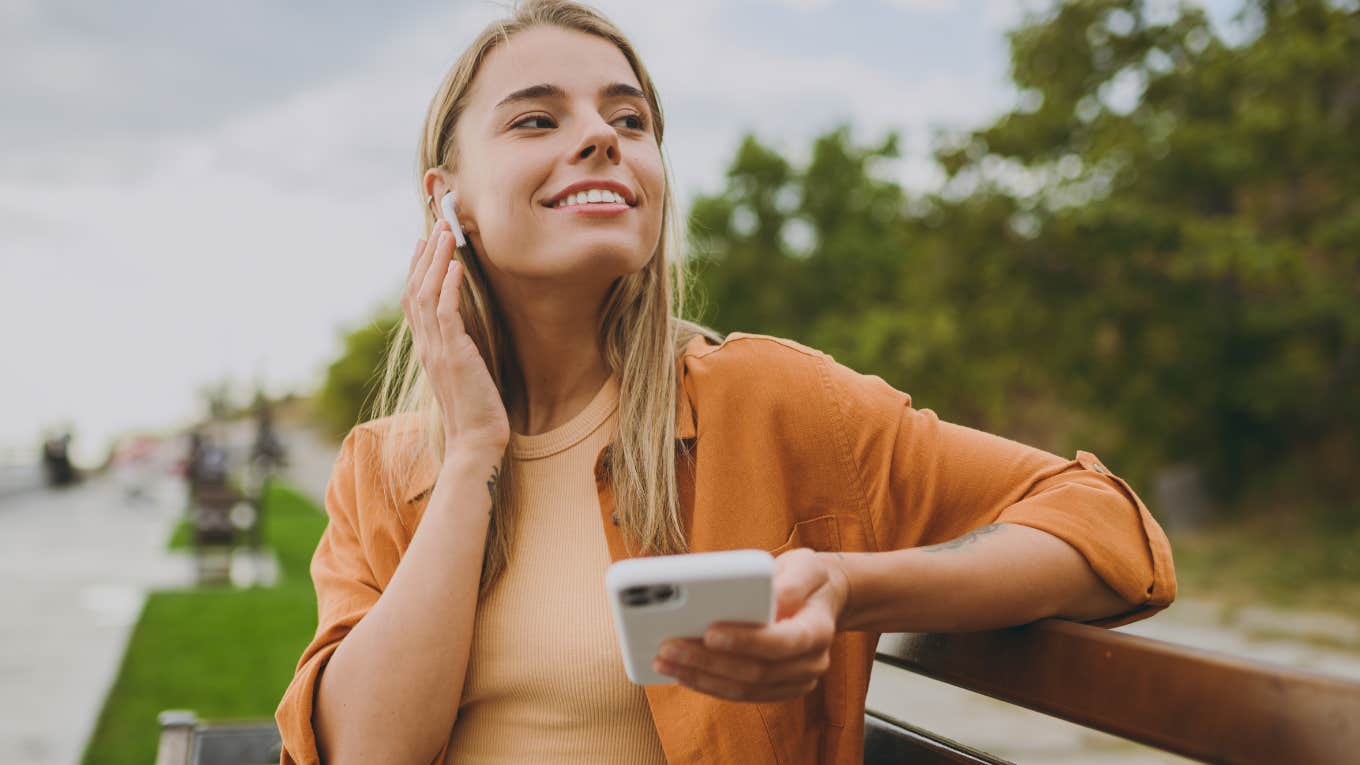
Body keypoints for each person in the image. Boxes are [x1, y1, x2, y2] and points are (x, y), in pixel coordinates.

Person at [276, 2, 1177, 763]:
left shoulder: (770, 400)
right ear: (449, 198)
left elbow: (1107, 529)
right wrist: (475, 447)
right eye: (537, 119)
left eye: (629, 122)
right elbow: (364, 750)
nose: (601, 136)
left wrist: (844, 585)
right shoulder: (383, 469)